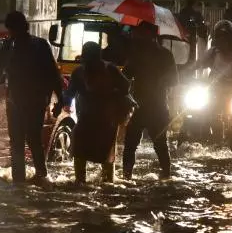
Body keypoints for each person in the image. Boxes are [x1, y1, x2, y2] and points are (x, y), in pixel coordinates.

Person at [0, 11, 63, 183]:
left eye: (14, 30)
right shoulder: (8, 46)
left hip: (35, 101)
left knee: (33, 139)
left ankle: (42, 176)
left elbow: (53, 74)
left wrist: (60, 100)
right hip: (15, 102)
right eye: (10, 31)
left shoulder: (40, 45)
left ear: (23, 28)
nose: (12, 34)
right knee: (16, 142)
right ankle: (19, 182)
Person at [64, 42, 132, 183]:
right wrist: (62, 103)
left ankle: (91, 182)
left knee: (101, 151)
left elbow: (126, 87)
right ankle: (89, 181)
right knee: (85, 150)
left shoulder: (106, 69)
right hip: (92, 118)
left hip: (104, 118)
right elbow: (70, 94)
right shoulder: (82, 72)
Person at [122, 21, 178, 180]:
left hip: (154, 107)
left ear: (151, 34)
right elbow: (125, 76)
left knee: (158, 144)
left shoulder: (164, 55)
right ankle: (128, 176)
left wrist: (162, 80)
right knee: (132, 144)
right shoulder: (138, 54)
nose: (137, 35)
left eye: (140, 32)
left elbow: (174, 80)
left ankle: (164, 175)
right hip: (142, 106)